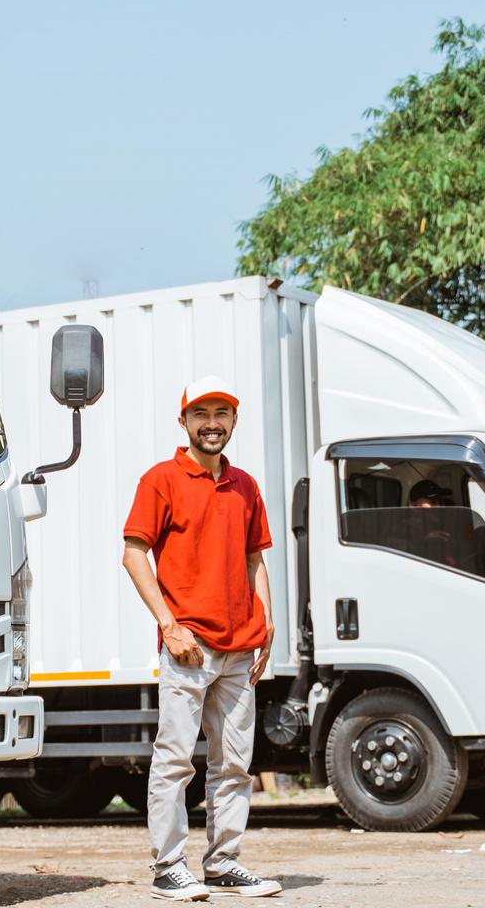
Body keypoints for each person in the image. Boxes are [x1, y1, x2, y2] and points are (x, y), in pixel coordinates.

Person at [122, 376, 284, 900]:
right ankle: (169, 868)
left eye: (222, 414)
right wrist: (168, 624)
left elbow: (254, 557)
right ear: (185, 421)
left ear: (233, 421)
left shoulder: (246, 486)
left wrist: (267, 619)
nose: (211, 423)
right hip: (188, 647)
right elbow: (133, 554)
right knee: (174, 760)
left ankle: (223, 863)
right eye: (201, 414)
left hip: (240, 648)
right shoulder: (161, 480)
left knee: (234, 763)